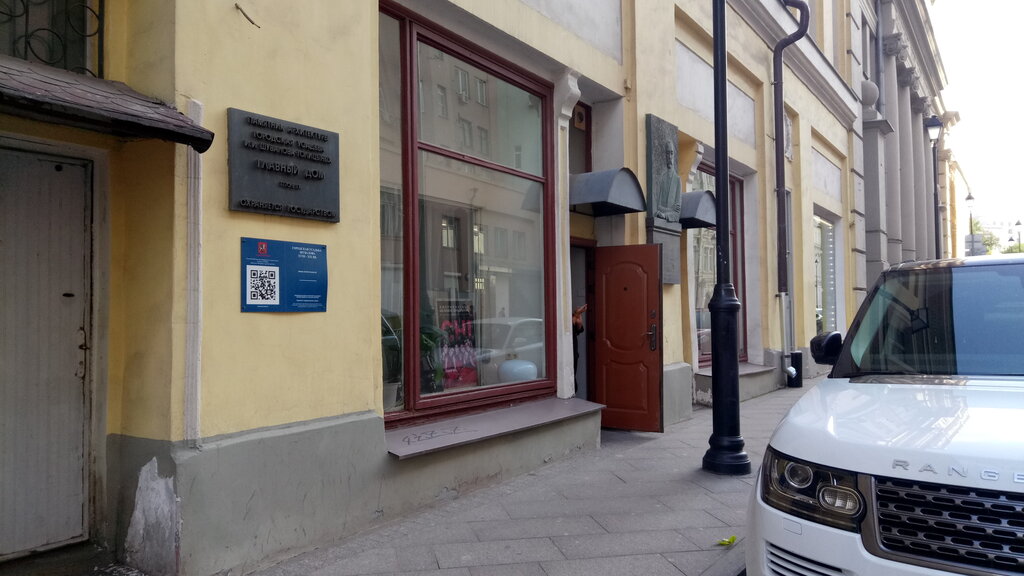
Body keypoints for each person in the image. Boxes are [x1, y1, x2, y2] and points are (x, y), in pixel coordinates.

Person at [572, 303, 587, 392]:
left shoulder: (573, 318)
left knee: (573, 377)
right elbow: (569, 328)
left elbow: (578, 329)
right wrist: (577, 314)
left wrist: (578, 318)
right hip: (568, 354)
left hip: (574, 353)